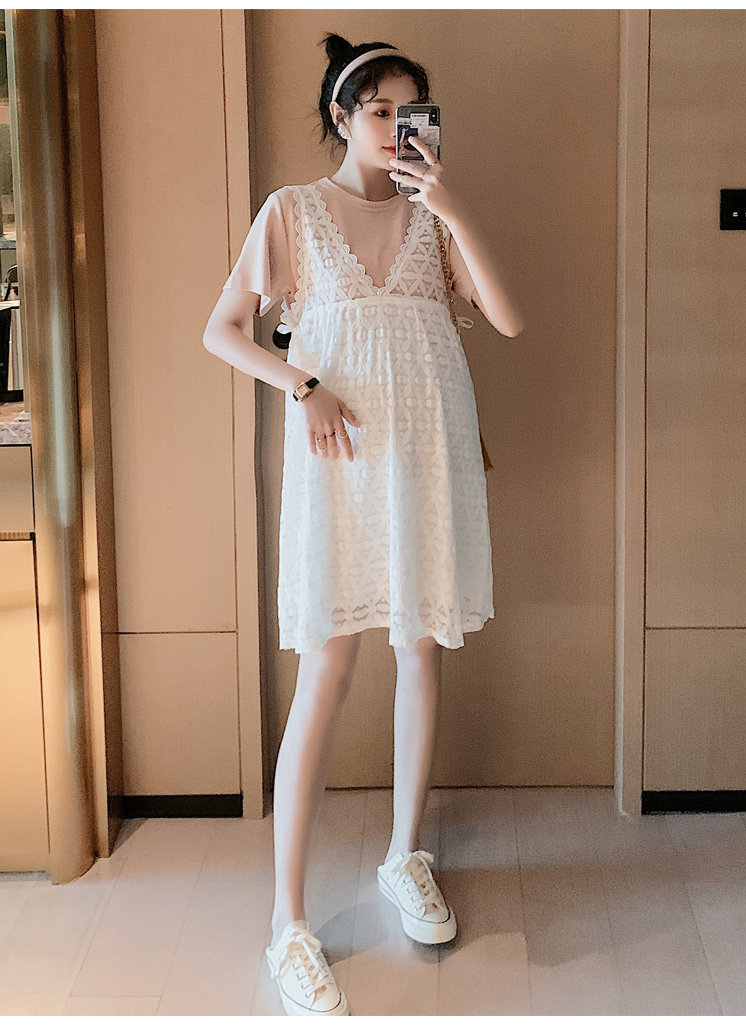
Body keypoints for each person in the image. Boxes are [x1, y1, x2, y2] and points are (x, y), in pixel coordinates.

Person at [203, 32, 525, 1017]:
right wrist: (301, 382)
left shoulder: (433, 219)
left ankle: (402, 856)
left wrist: (451, 204)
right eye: (381, 111)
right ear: (342, 116)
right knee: (328, 670)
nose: (398, 129)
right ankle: (288, 921)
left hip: (428, 462)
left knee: (421, 647)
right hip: (340, 469)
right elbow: (223, 330)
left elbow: (507, 319)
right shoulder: (292, 212)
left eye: (412, 113)